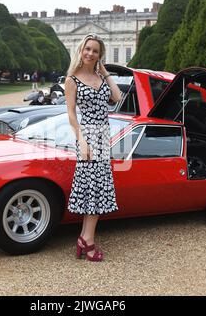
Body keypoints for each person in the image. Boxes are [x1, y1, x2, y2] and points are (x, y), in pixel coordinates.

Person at [65, 33, 122, 262]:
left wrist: (105, 72)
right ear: (81, 50)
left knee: (99, 189)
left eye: (95, 51)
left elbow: (116, 97)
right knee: (92, 189)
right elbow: (70, 114)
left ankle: (84, 238)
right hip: (87, 138)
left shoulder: (100, 77)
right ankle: (87, 241)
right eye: (87, 49)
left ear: (100, 55)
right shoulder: (72, 79)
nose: (90, 53)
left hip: (103, 137)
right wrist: (81, 140)